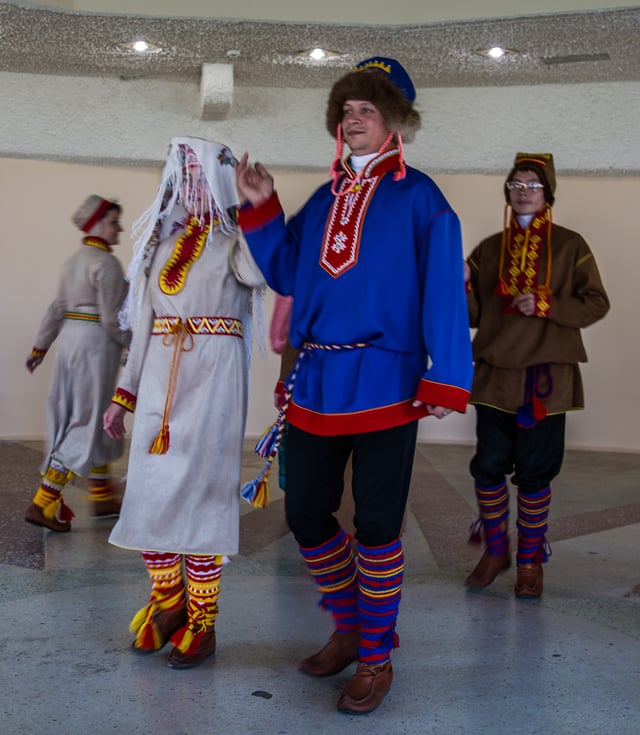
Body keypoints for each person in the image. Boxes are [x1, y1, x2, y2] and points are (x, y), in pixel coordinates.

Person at [236, 57, 473, 714]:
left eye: (367, 109)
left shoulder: (422, 197)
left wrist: (445, 377)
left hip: (388, 382)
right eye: (346, 110)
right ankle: (348, 625)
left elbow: (445, 297)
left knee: (376, 524)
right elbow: (286, 269)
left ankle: (375, 656)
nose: (353, 119)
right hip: (315, 382)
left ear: (397, 120)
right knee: (307, 510)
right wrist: (260, 207)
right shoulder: (323, 198)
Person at [103, 137, 265, 670]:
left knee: (200, 495)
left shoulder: (237, 238)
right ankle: (168, 605)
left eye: (199, 175)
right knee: (151, 492)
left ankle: (203, 620)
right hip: (157, 382)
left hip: (214, 380)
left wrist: (253, 212)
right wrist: (123, 398)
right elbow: (144, 327)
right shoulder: (157, 243)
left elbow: (262, 275)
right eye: (183, 175)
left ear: (218, 180)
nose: (190, 185)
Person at [463, 152, 610, 598]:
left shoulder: (571, 245)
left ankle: (529, 562)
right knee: (487, 467)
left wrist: (548, 305)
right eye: (515, 184)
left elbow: (596, 303)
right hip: (494, 376)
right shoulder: (489, 248)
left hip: (546, 380)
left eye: (532, 184)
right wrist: (459, 286)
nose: (523, 191)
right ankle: (495, 549)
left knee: (535, 472)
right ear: (506, 192)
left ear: (548, 194)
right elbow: (472, 315)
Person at [24, 196, 131, 532]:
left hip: (71, 342)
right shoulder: (107, 264)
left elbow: (57, 308)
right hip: (95, 346)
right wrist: (138, 345)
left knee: (89, 415)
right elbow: (113, 320)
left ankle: (101, 495)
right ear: (98, 223)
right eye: (115, 222)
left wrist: (41, 346)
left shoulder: (73, 260)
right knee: (88, 417)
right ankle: (43, 502)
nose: (120, 229)